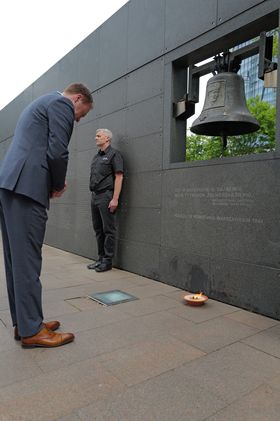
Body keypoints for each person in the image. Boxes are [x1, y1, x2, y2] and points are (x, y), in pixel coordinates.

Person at [0, 83, 93, 348]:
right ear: (77, 99)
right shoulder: (62, 104)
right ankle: (32, 331)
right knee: (28, 260)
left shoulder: (41, 103)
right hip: (28, 187)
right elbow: (58, 150)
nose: (78, 119)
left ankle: (25, 323)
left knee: (16, 260)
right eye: (82, 114)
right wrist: (57, 184)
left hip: (11, 185)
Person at [87, 129, 124, 272]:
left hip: (106, 196)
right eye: (95, 135)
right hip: (94, 196)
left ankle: (108, 261)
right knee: (98, 229)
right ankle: (101, 258)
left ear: (107, 138)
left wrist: (115, 199)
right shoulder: (96, 157)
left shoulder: (114, 154)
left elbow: (119, 177)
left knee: (108, 229)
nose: (95, 138)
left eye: (98, 136)